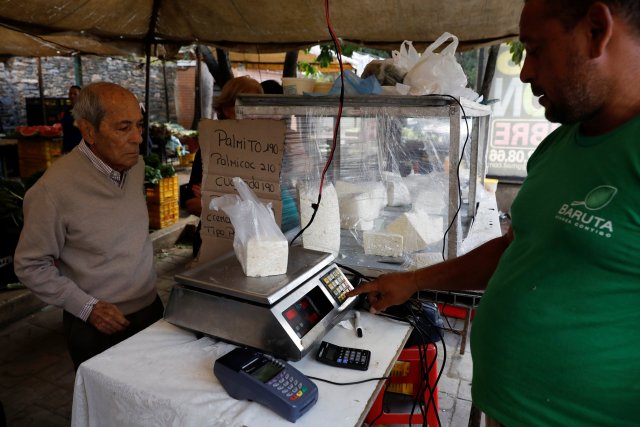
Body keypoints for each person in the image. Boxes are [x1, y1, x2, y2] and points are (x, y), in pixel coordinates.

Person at [348, 1, 640, 426]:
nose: (525, 72)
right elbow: (516, 247)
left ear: (596, 30)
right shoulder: (559, 147)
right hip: (503, 407)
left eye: (535, 49)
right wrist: (412, 282)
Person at [14, 82, 164, 371]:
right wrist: (87, 307)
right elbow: (30, 264)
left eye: (139, 125)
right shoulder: (52, 190)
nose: (137, 138)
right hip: (98, 327)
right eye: (123, 128)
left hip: (151, 310)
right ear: (88, 131)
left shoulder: (137, 167)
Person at [185, 76, 264, 257]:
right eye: (247, 106)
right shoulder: (210, 148)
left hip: (255, 246)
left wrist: (214, 200)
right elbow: (192, 203)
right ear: (228, 110)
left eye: (258, 107)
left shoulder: (266, 151)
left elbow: (271, 203)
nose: (254, 114)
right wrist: (243, 204)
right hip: (214, 243)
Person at [60, 85, 82, 153]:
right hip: (67, 147)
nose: (72, 96)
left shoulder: (84, 111)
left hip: (79, 149)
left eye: (75, 94)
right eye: (70, 93)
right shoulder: (67, 110)